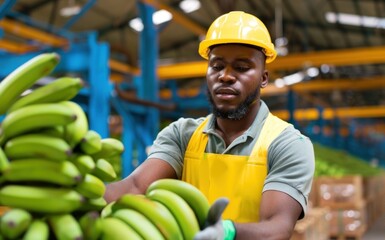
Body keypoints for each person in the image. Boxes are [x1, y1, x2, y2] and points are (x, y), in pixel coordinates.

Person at [105, 11, 315, 240]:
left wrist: (226, 232)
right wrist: (79, 194)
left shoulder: (287, 144)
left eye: (242, 68)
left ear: (264, 78)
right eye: (217, 66)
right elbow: (135, 187)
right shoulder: (182, 135)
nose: (225, 76)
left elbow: (277, 229)